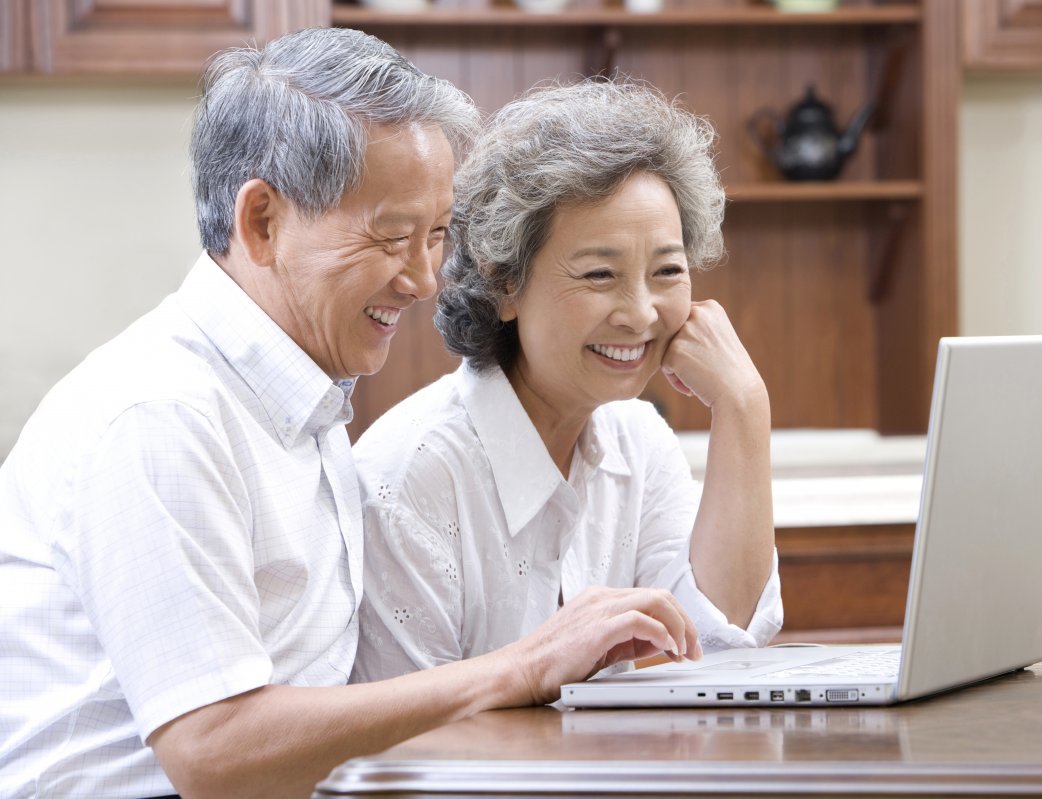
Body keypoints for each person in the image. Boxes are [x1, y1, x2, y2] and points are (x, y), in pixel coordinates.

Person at [0, 30, 702, 799]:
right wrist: (521, 665)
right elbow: (214, 754)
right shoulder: (162, 415)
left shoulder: (300, 401)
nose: (426, 278)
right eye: (395, 236)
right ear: (263, 221)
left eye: (437, 238)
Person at [352, 79, 783, 684]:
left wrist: (743, 404)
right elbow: (407, 736)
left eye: (667, 271)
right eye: (600, 274)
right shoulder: (410, 477)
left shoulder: (639, 441)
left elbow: (724, 639)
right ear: (504, 284)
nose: (639, 313)